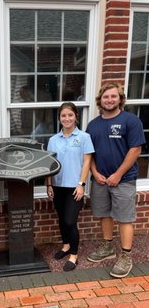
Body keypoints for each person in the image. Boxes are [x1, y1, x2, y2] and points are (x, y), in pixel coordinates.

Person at [86, 82, 145, 278]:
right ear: (100, 100)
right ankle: (108, 247)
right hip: (100, 180)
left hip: (124, 179)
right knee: (104, 214)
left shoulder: (131, 121)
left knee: (125, 218)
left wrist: (118, 174)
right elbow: (89, 153)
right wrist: (94, 172)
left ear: (120, 99)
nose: (109, 100)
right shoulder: (93, 125)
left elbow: (135, 149)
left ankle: (126, 256)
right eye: (106, 97)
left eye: (113, 96)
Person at [46, 102, 94, 271]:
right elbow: (50, 164)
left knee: (70, 220)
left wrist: (81, 184)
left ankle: (74, 255)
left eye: (70, 115)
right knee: (61, 219)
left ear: (76, 117)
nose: (67, 119)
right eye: (63, 116)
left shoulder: (84, 138)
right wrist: (49, 185)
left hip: (75, 187)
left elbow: (87, 162)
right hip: (58, 186)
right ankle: (66, 246)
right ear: (59, 118)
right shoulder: (53, 140)